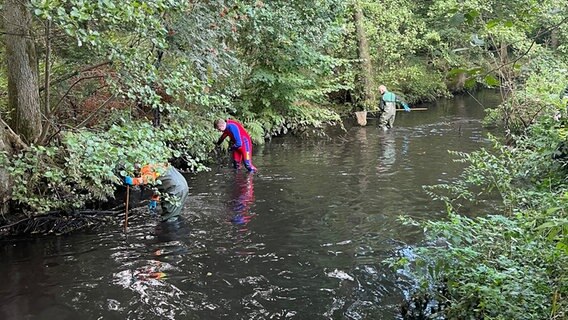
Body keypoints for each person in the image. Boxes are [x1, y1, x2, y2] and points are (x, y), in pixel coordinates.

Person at [124, 163, 189, 222]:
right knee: (174, 212)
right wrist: (154, 198)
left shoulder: (147, 166)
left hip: (175, 190)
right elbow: (160, 182)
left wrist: (133, 181)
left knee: (170, 219)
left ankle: (170, 233)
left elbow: (148, 179)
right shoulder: (158, 161)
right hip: (182, 186)